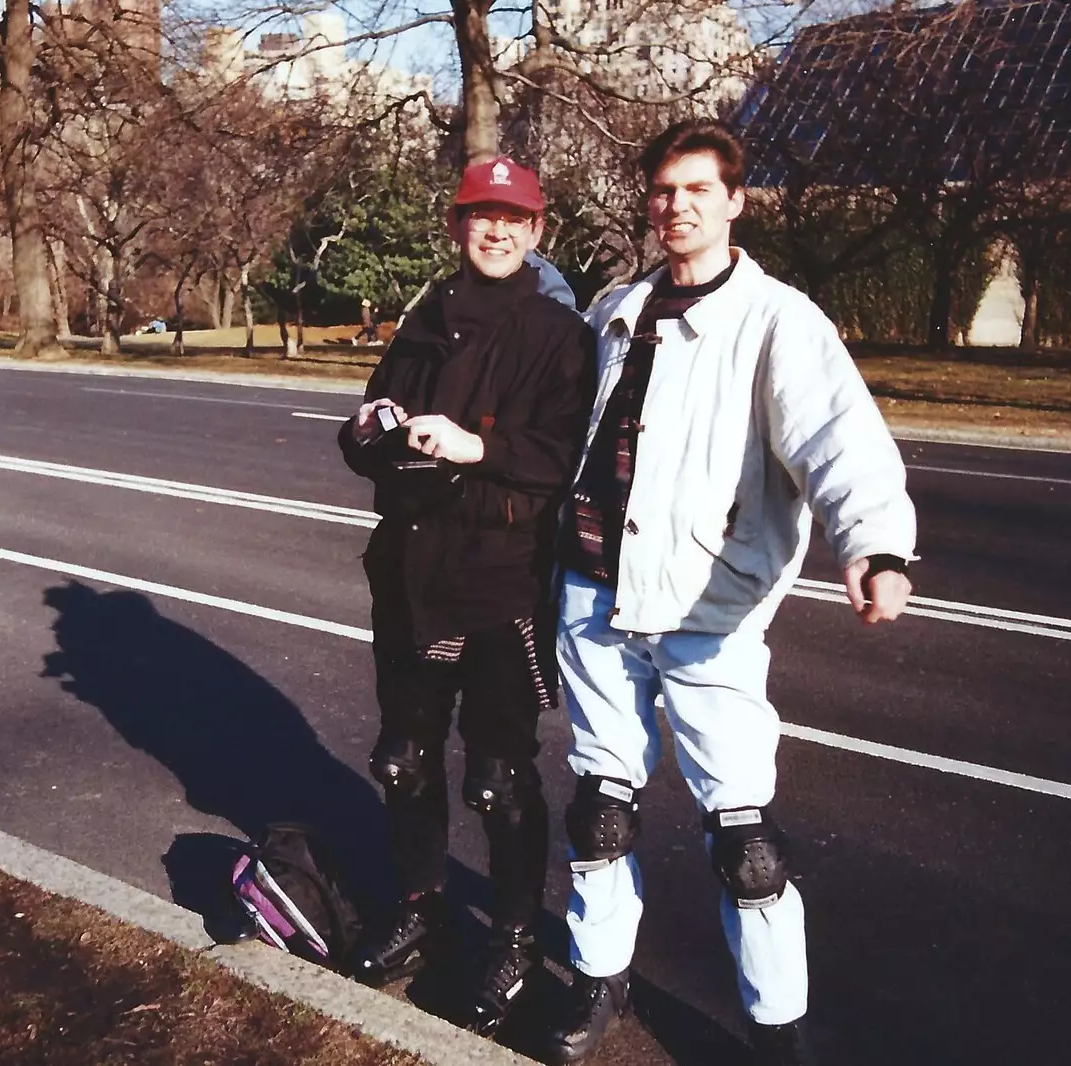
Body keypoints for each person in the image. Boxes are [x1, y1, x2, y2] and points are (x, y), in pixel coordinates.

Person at [544, 120, 917, 1066]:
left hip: (707, 615)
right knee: (598, 811)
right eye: (665, 190)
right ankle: (598, 979)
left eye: (698, 190)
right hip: (595, 594)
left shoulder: (777, 320)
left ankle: (774, 1025)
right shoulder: (615, 310)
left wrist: (874, 545)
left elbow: (841, 438)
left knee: (746, 843)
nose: (677, 206)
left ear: (735, 201)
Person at [338, 156, 596, 1037]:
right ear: (457, 226)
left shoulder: (558, 335)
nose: (496, 230)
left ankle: (516, 940)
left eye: (513, 219)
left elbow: (562, 459)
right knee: (403, 759)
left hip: (498, 586)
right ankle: (421, 908)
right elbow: (369, 426)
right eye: (481, 216)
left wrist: (473, 447)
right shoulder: (425, 318)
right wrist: (367, 430)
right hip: (408, 573)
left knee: (499, 777)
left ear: (537, 231)